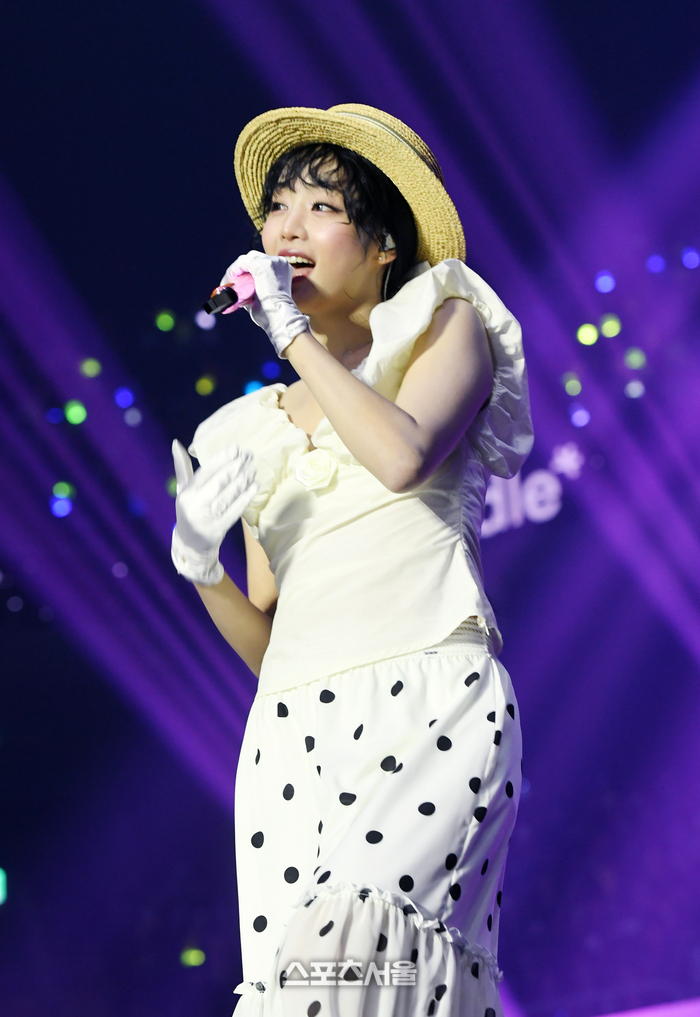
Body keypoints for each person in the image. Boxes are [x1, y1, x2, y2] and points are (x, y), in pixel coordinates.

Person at [170, 104, 533, 1017]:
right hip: (294, 731)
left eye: (321, 207)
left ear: (383, 245)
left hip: (427, 699)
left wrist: (289, 331)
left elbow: (403, 455)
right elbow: (270, 638)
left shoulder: (443, 324)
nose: (287, 228)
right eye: (277, 209)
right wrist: (200, 564)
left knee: (359, 952)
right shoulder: (249, 428)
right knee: (321, 991)